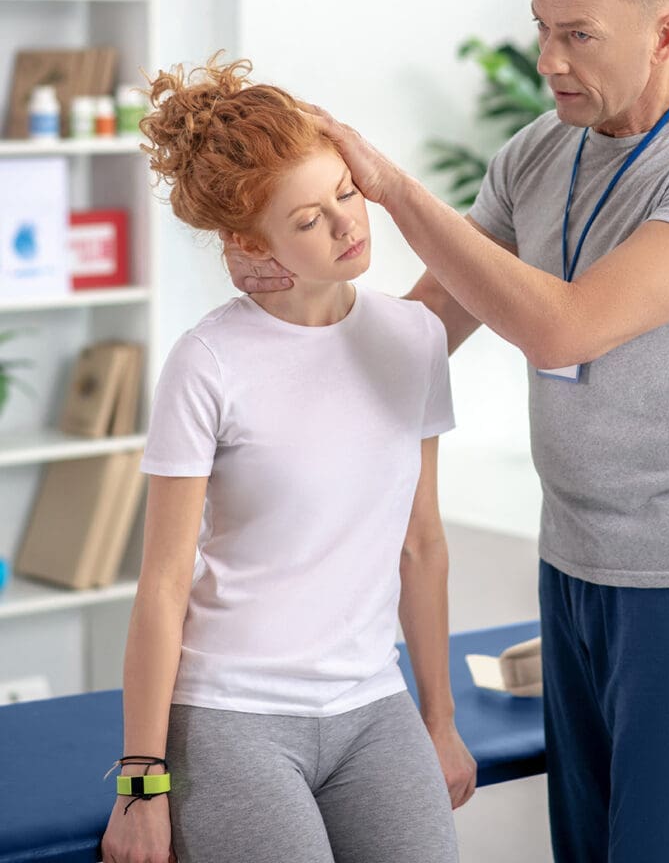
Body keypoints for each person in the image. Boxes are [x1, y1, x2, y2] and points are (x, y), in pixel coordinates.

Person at [228, 0, 669, 863]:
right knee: (587, 844)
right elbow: (426, 327)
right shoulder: (537, 150)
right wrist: (283, 309)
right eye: (541, 30)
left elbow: (563, 327)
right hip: (570, 555)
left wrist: (392, 189)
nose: (548, 60)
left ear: (663, 32)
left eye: (577, 36)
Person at [100, 58, 475, 863]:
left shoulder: (412, 339)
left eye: (346, 192)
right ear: (247, 241)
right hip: (232, 713)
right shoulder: (209, 359)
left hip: (373, 706)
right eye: (308, 219)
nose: (348, 226)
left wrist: (439, 723)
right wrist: (141, 781)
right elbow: (164, 582)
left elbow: (421, 544)